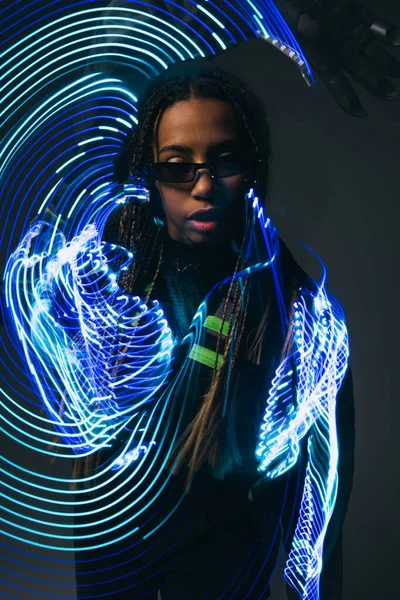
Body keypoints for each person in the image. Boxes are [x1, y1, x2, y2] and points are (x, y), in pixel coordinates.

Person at [66, 58, 354, 600]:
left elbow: (326, 486)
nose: (203, 185)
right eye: (177, 166)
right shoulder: (115, 265)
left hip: (224, 553)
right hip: (115, 538)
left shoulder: (293, 304)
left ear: (252, 166)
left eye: (225, 161)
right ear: (149, 172)